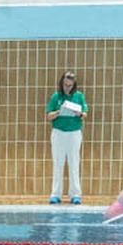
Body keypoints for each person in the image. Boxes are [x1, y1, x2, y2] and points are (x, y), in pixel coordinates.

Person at [46, 71, 88, 204]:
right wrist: (59, 112)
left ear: (74, 85)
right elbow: (49, 115)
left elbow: (85, 114)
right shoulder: (56, 97)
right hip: (58, 133)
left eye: (70, 85)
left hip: (74, 133)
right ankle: (55, 194)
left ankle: (75, 194)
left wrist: (79, 113)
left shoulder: (79, 96)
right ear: (61, 83)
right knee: (58, 163)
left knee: (74, 163)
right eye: (65, 85)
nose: (67, 88)